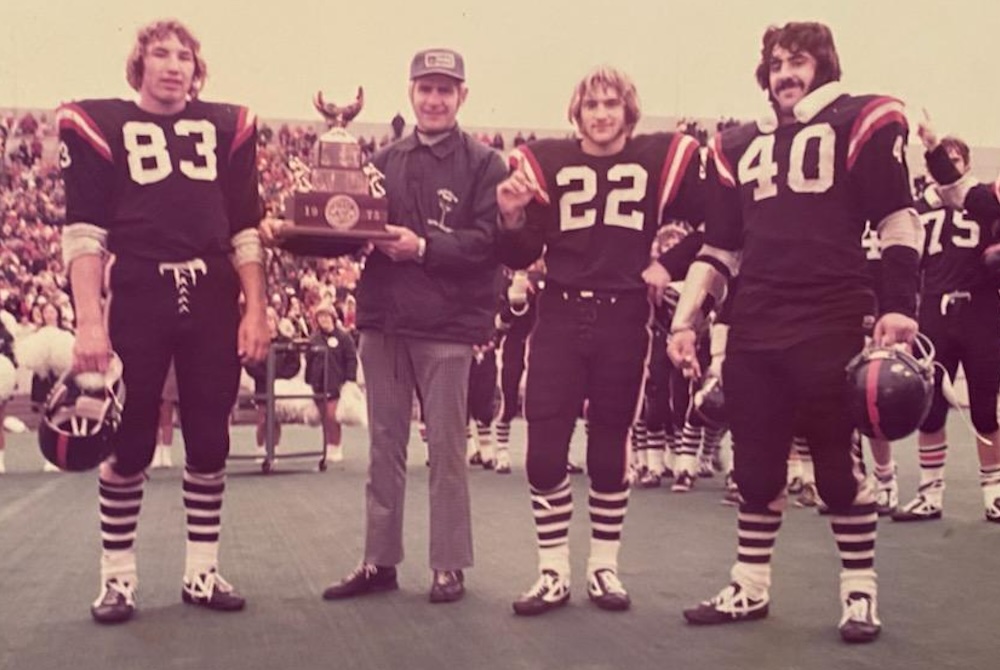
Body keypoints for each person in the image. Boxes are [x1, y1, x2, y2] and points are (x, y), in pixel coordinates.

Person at [668, 22, 921, 643]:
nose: (785, 72)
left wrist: (900, 305)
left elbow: (898, 220)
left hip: (831, 317)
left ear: (825, 66)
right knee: (754, 470)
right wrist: (686, 317)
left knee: (835, 469)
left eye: (799, 61)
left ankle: (859, 591)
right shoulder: (736, 144)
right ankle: (750, 585)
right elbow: (720, 249)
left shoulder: (860, 120)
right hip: (756, 320)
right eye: (776, 62)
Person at [264, 48, 506, 604]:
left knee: (446, 449)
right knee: (384, 446)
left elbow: (490, 245)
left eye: (446, 89)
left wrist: (423, 246)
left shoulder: (485, 164)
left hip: (447, 324)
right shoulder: (384, 160)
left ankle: (448, 565)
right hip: (384, 318)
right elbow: (344, 227)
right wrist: (289, 231)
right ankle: (379, 561)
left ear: (462, 95)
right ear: (411, 92)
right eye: (426, 88)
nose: (435, 99)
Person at [58, 18, 269, 624]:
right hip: (140, 285)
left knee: (209, 436)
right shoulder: (104, 124)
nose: (174, 65)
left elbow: (245, 230)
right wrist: (89, 321)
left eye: (184, 56)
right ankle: (117, 578)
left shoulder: (226, 127)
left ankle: (201, 570)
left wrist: (255, 306)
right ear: (140, 64)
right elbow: (84, 233)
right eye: (161, 54)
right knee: (127, 444)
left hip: (211, 288)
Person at [495, 66, 704, 615]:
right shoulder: (548, 161)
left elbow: (720, 221)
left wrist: (669, 263)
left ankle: (604, 567)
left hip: (623, 316)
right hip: (560, 314)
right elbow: (518, 254)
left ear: (629, 110)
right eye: (592, 104)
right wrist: (512, 216)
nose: (602, 113)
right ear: (577, 112)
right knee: (543, 451)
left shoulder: (658, 155)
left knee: (610, 449)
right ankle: (553, 569)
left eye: (612, 103)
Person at [897, 125, 1000, 523]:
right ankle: (929, 494)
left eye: (955, 160)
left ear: (967, 163)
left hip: (980, 312)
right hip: (935, 313)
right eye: (944, 161)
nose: (949, 168)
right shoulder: (919, 208)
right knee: (932, 408)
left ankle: (993, 492)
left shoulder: (985, 199)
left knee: (985, 408)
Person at [304, 301, 357, 463]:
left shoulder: (343, 337)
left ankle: (336, 446)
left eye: (326, 316)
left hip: (336, 382)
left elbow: (351, 359)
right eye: (320, 316)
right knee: (324, 417)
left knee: (332, 416)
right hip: (318, 384)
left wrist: (349, 380)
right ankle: (327, 446)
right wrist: (308, 381)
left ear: (333, 317)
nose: (324, 319)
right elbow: (309, 360)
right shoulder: (314, 339)